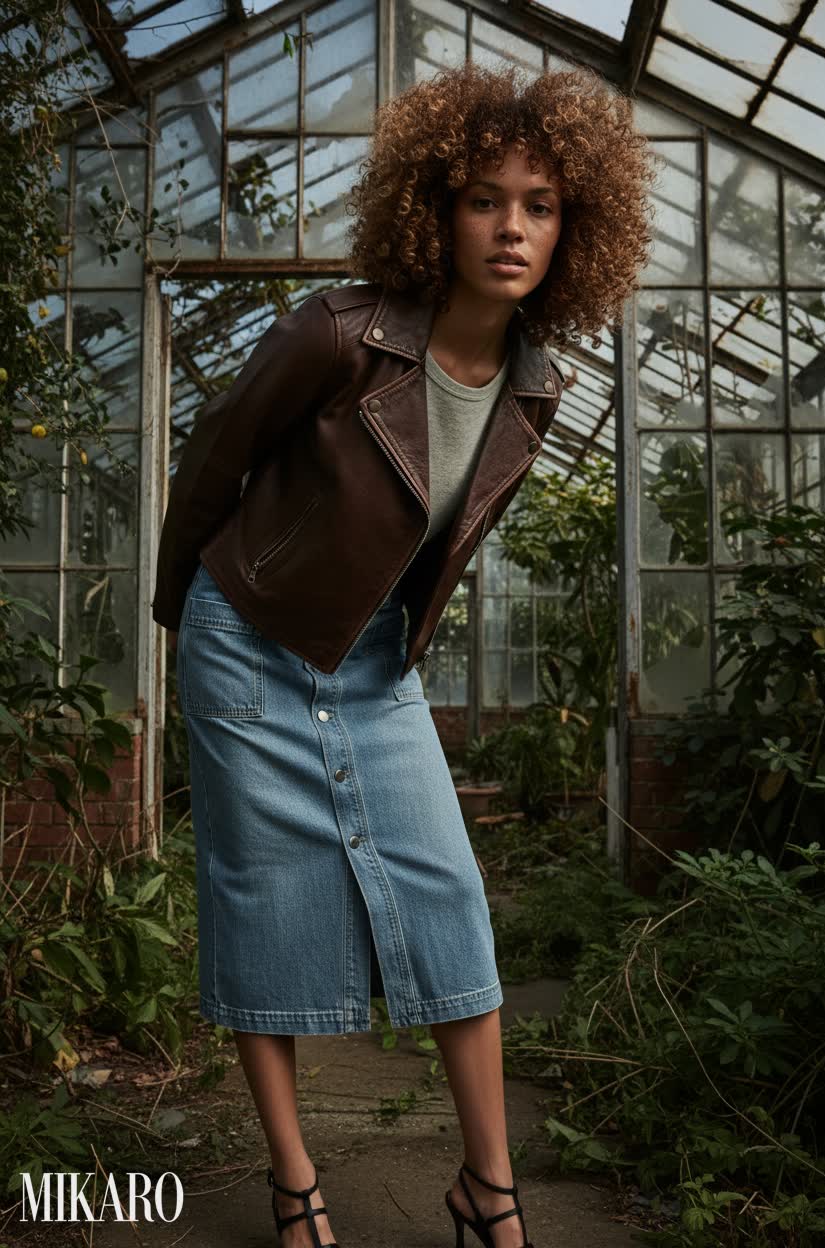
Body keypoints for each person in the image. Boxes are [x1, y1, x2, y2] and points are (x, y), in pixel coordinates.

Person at [152, 59, 653, 1248]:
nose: (512, 227)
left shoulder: (534, 391)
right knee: (261, 903)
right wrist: (186, 626)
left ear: (573, 227)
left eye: (539, 205)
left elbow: (434, 548)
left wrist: (396, 655)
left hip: (373, 664)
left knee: (450, 898)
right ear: (438, 210)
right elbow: (215, 458)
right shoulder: (338, 331)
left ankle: (489, 1189)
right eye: (485, 199)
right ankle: (295, 1184)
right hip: (245, 641)